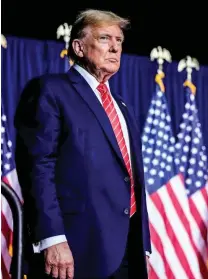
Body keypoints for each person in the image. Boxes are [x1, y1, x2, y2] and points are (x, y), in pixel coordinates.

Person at [14, 9, 151, 279]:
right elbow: (38, 168)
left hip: (125, 250)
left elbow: (129, 178)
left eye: (119, 40)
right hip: (75, 251)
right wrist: (52, 238)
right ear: (78, 46)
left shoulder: (121, 106)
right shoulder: (50, 90)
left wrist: (141, 245)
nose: (114, 47)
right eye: (104, 38)